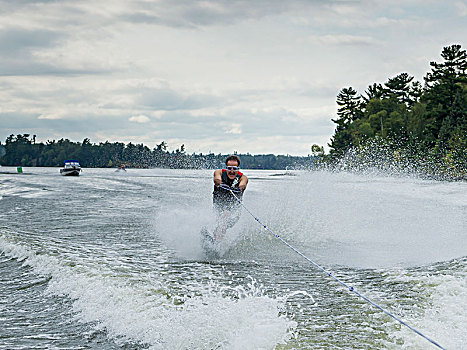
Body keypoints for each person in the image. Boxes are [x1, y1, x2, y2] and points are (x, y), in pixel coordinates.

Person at [212, 155, 248, 239]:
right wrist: (220, 183)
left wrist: (239, 188)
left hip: (234, 210)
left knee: (225, 217)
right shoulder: (219, 172)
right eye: (229, 168)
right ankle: (215, 240)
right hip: (219, 205)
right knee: (220, 224)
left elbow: (243, 184)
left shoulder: (243, 177)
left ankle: (216, 243)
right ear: (226, 168)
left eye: (234, 169)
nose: (232, 171)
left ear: (238, 169)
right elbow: (216, 179)